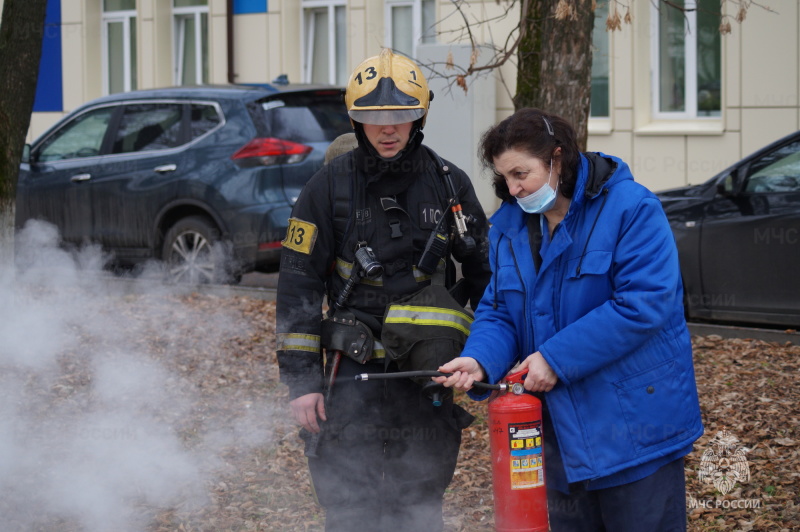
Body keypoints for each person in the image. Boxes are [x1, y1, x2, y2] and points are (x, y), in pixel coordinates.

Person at [436, 108, 703, 531]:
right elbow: (500, 309)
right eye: (505, 177)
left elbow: (644, 303)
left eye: (521, 173)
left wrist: (555, 359)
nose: (513, 187)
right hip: (558, 440)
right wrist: (480, 359)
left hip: (634, 432)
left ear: (557, 159)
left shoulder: (631, 209)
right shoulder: (509, 227)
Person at [276, 49, 492, 532]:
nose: (388, 128)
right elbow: (298, 287)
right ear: (357, 119)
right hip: (348, 378)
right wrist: (302, 383)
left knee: (418, 503)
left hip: (427, 377)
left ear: (420, 116)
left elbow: (488, 279)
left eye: (401, 115)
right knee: (350, 506)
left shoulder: (449, 184)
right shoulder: (326, 188)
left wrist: (488, 357)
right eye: (375, 117)